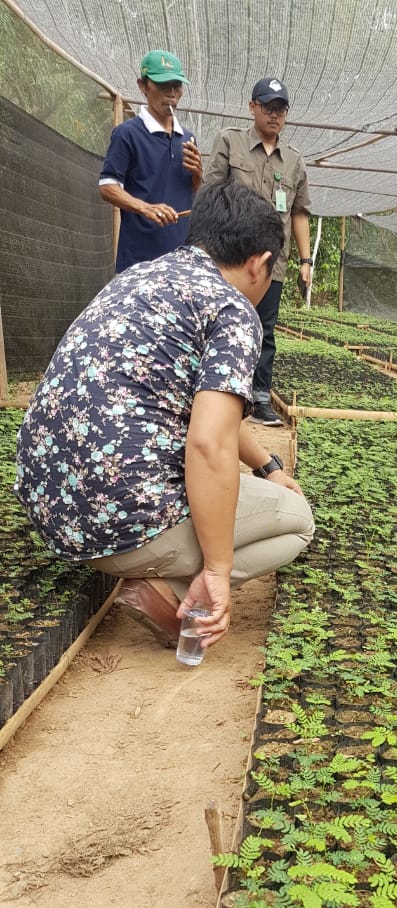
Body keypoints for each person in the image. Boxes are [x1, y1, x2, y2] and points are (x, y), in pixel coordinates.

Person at [15, 181, 315, 655]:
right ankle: (171, 594)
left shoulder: (140, 276)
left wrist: (268, 468)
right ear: (259, 264)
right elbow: (208, 444)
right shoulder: (233, 310)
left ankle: (158, 565)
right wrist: (216, 571)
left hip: (51, 510)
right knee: (297, 520)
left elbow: (212, 411)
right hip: (122, 527)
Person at [204, 77, 312, 426]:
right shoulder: (230, 142)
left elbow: (299, 212)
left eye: (281, 110)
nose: (274, 116)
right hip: (229, 257)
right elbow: (210, 193)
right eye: (268, 108)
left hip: (272, 263)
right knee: (218, 321)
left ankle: (259, 397)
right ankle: (210, 392)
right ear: (252, 107)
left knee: (264, 329)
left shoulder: (294, 161)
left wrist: (306, 260)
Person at [99, 50, 203, 273]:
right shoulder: (127, 134)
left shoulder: (187, 138)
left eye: (177, 86)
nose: (172, 94)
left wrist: (197, 175)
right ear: (143, 86)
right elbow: (107, 187)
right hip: (139, 261)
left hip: (181, 261)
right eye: (163, 85)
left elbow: (194, 192)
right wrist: (145, 208)